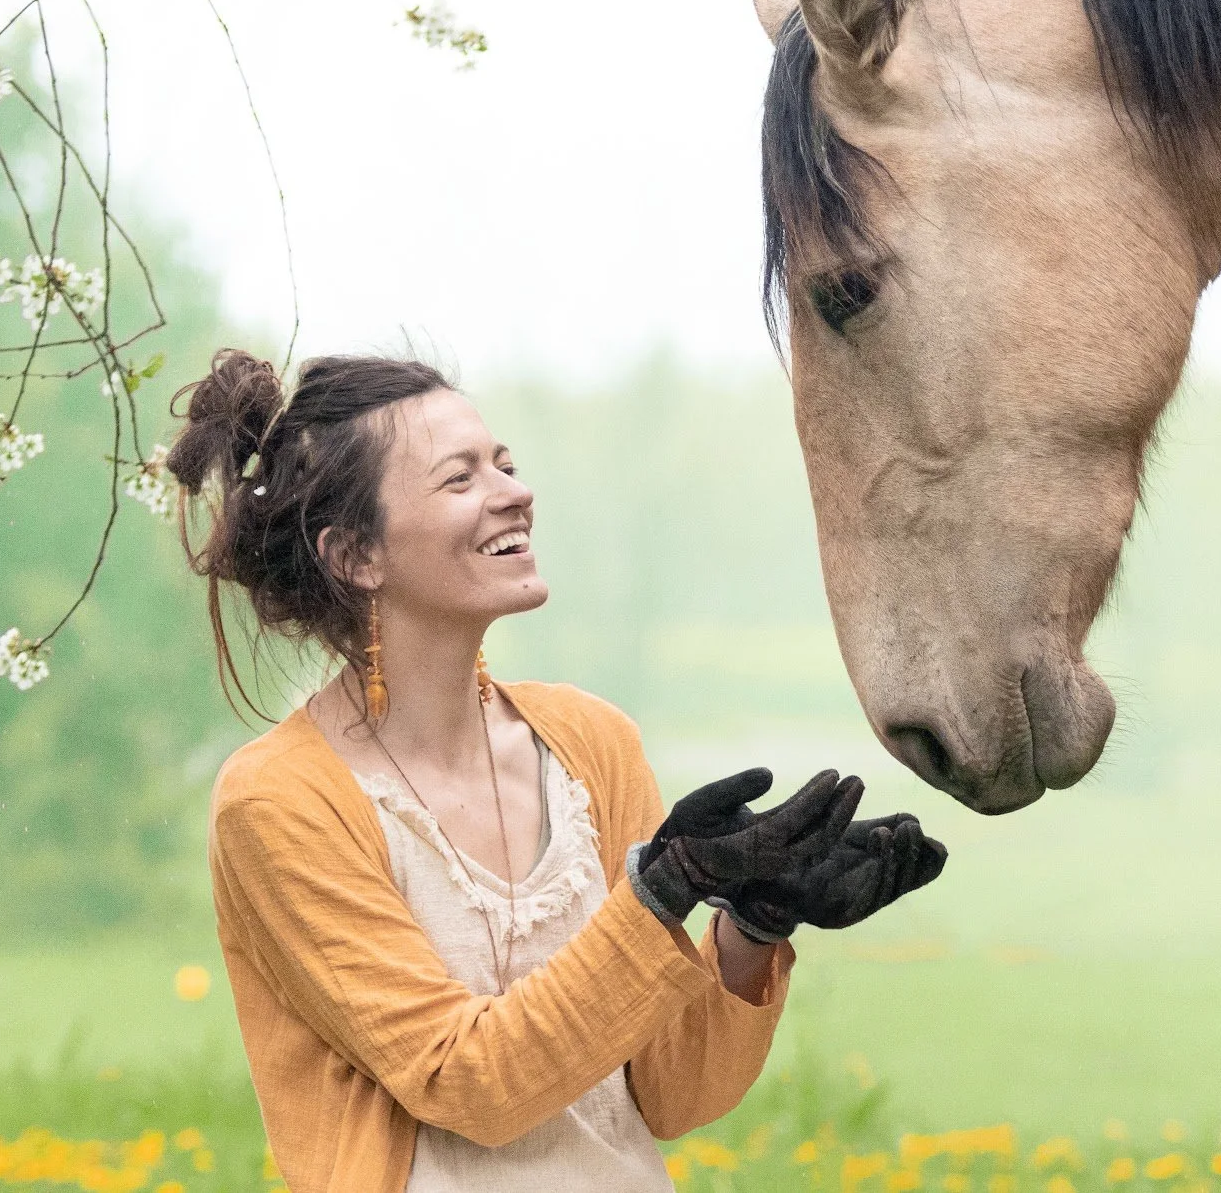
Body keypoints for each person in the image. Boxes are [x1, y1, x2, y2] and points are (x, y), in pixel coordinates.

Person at [170, 350, 946, 1193]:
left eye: (505, 463)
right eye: (460, 479)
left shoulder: (592, 743)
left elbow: (672, 1091)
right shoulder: (278, 801)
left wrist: (753, 925)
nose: (514, 491)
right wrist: (660, 894)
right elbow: (465, 1081)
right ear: (356, 554)